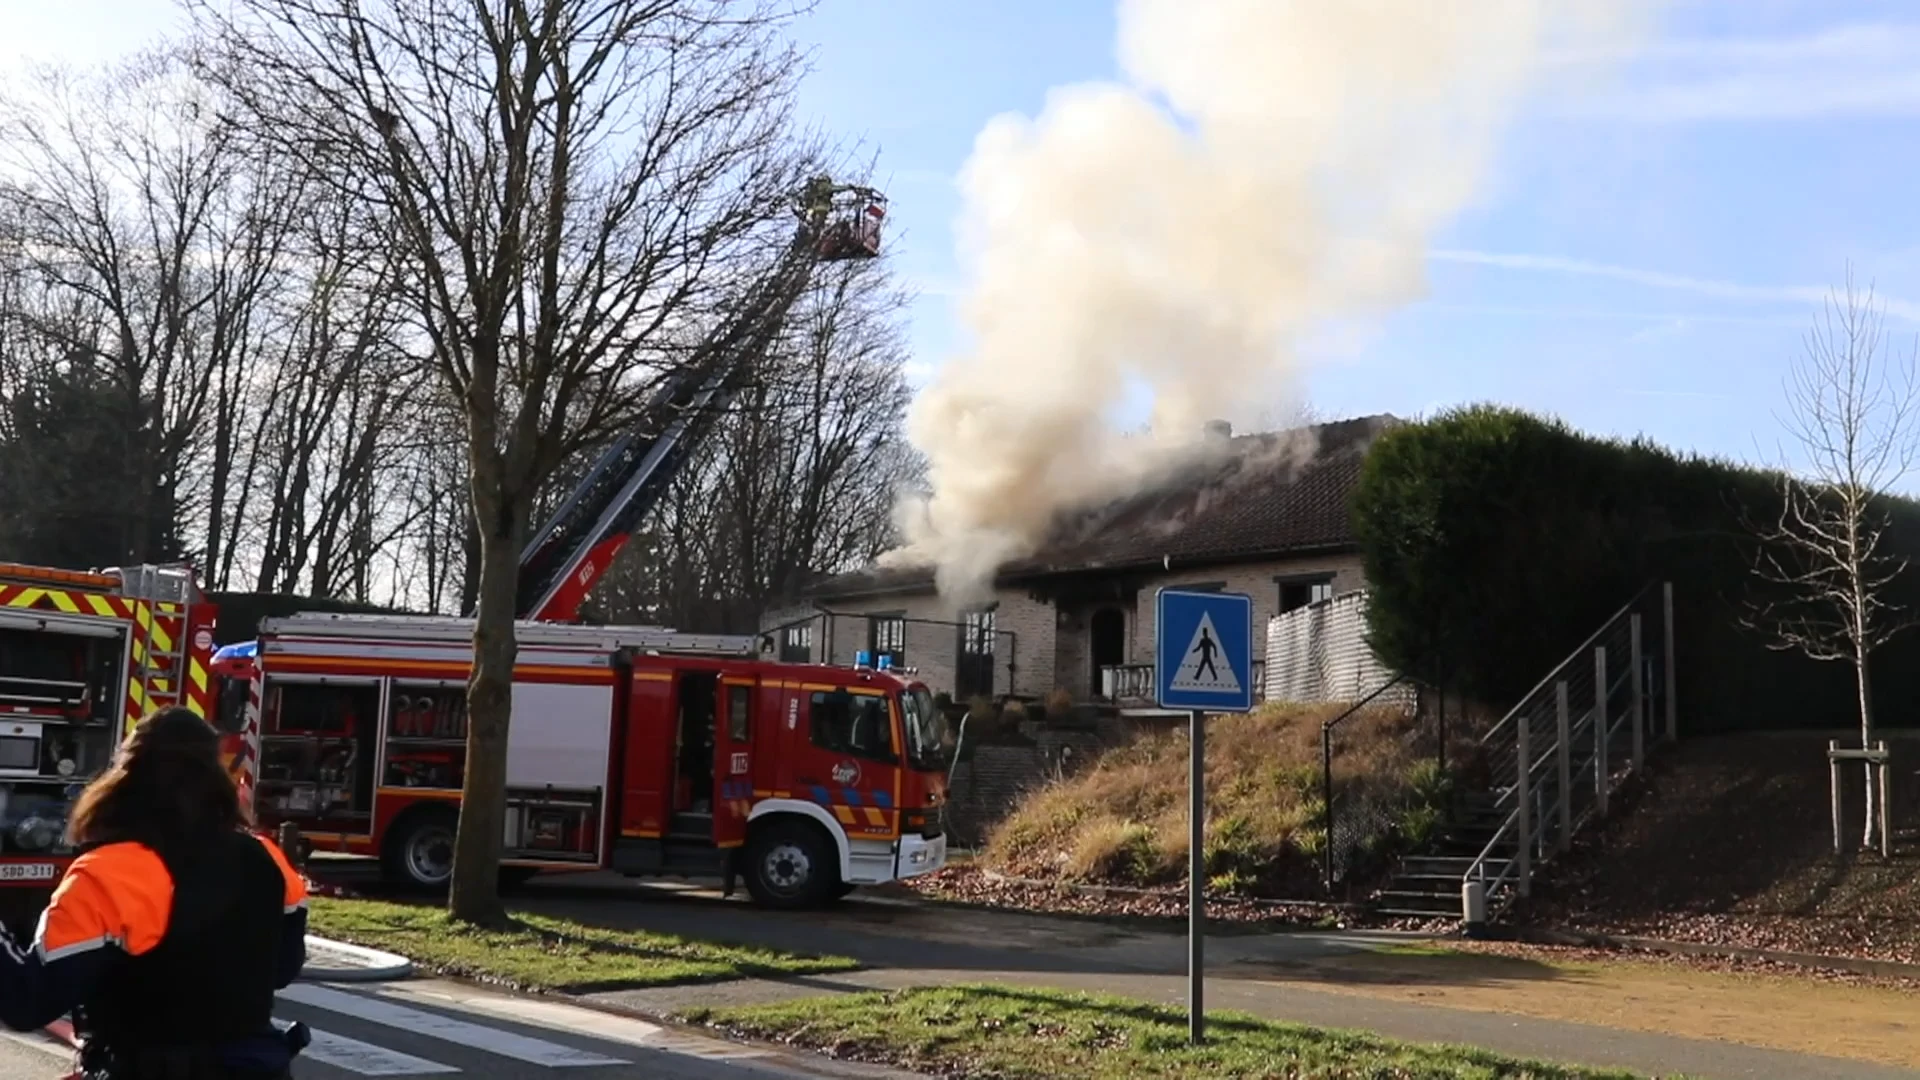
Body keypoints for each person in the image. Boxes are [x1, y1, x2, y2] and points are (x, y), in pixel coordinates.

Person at [0, 706, 310, 1078]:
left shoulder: (107, 874)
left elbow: (26, 1002)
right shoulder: (267, 858)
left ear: (123, 779)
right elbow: (281, 969)